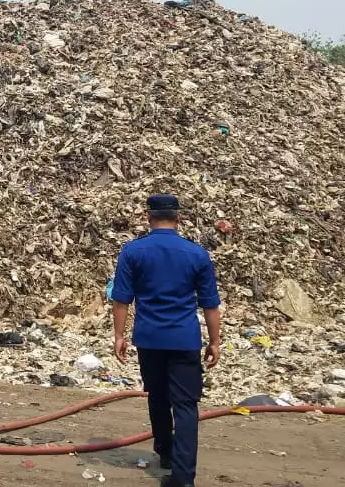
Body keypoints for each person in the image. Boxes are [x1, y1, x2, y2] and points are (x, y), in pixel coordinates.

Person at [111, 194, 221, 487]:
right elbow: (210, 304)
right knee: (185, 405)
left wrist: (119, 335)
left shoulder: (133, 252)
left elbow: (121, 299)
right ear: (178, 219)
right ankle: (183, 477)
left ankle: (166, 452)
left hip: (149, 338)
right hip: (184, 339)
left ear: (149, 218)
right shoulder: (196, 254)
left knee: (157, 396)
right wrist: (215, 341)